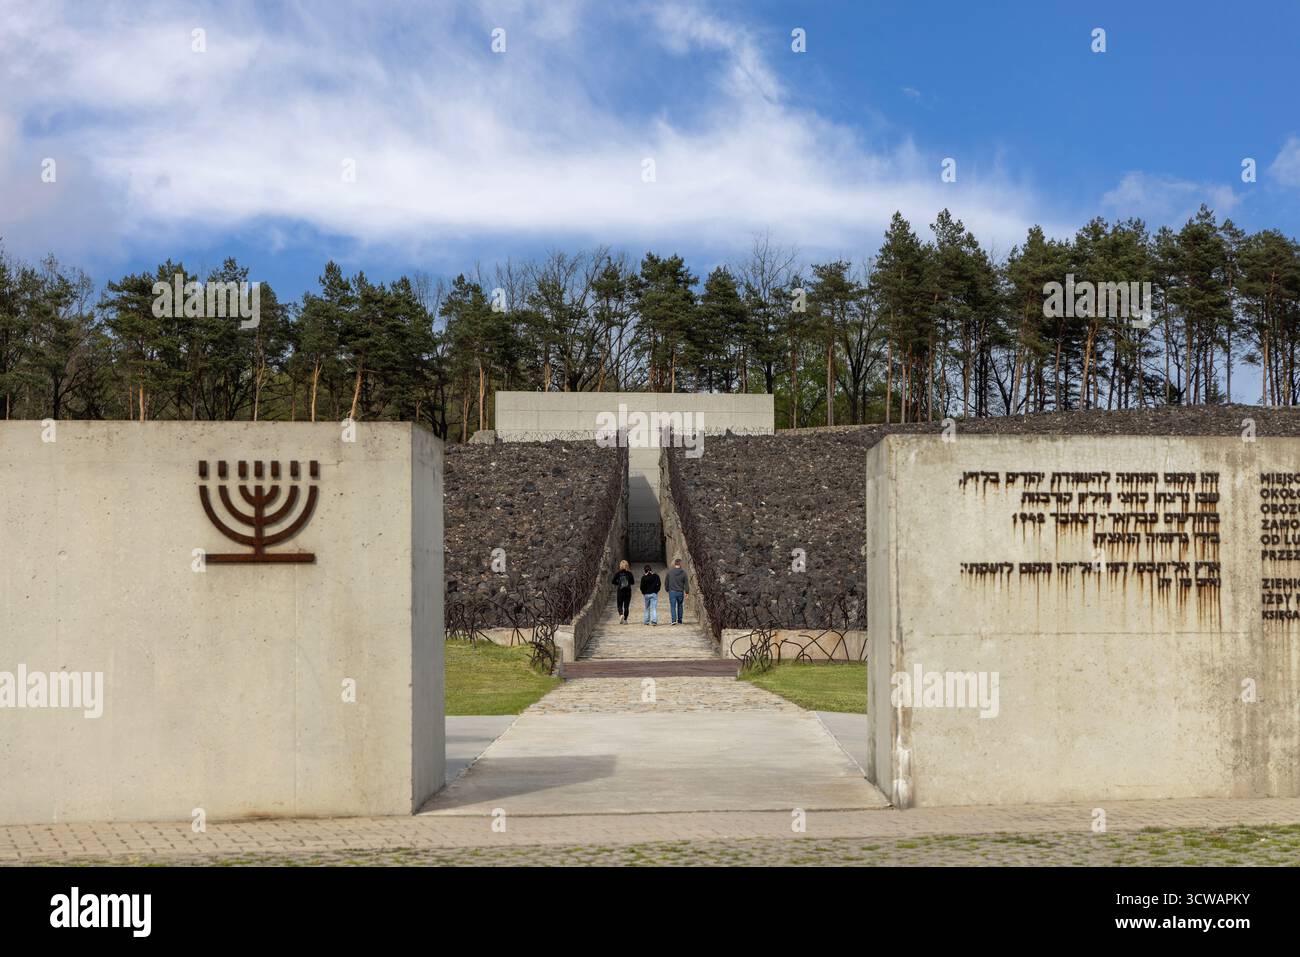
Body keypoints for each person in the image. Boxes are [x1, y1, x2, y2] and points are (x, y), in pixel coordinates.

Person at [665, 557, 689, 625]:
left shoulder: (669, 572)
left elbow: (666, 582)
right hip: (680, 592)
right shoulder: (684, 573)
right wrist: (687, 592)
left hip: (672, 592)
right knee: (680, 606)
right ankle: (680, 620)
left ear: (674, 564)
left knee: (673, 606)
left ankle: (673, 620)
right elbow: (686, 583)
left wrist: (667, 589)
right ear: (680, 564)